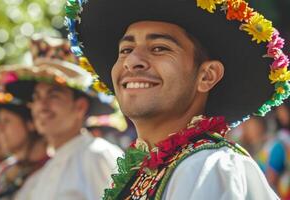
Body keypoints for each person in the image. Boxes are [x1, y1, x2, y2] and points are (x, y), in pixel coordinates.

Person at [64, 0, 288, 199]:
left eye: (159, 48)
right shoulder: (146, 174)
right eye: (125, 49)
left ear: (206, 76)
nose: (132, 61)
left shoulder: (209, 168)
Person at [7, 37, 123, 200]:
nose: (41, 106)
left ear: (80, 107)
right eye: (37, 97)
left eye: (53, 95)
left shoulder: (97, 156)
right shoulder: (43, 172)